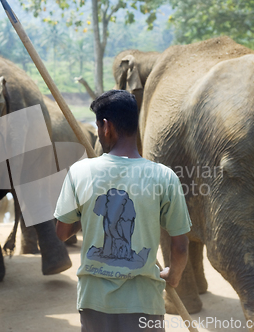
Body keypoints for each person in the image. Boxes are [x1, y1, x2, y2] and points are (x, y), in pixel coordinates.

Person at [54, 90, 191, 332]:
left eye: (98, 128)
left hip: (94, 301)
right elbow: (180, 246)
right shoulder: (164, 176)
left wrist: (81, 212)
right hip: (144, 302)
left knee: (114, 236)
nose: (98, 133)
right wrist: (174, 276)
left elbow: (62, 233)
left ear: (106, 127)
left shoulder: (80, 172)